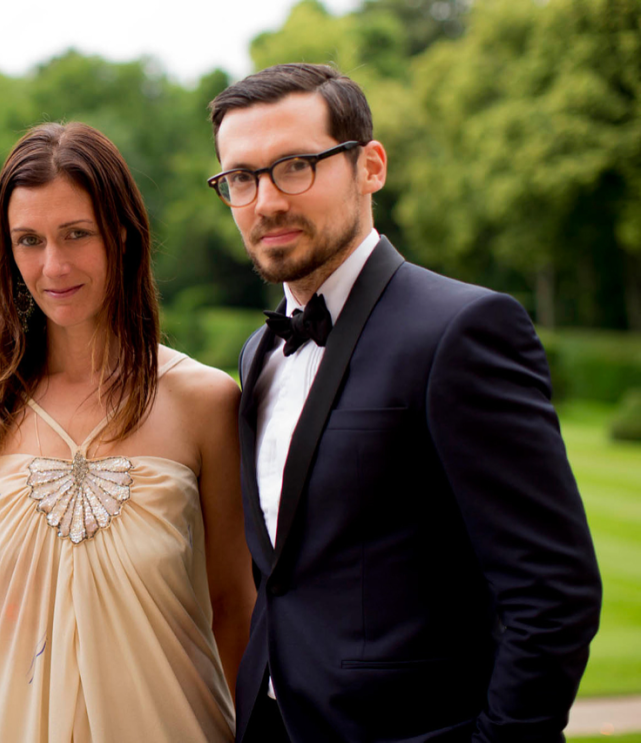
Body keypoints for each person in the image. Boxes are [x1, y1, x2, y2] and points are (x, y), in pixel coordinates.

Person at [207, 63, 602, 742]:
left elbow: (552, 592)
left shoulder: (463, 330)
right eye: (241, 177)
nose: (265, 200)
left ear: (370, 166)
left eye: (295, 165)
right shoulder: (258, 354)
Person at [0, 122, 255, 743]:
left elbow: (234, 607)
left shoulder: (204, 401)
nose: (52, 265)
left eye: (76, 234)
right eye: (28, 240)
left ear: (124, 238)